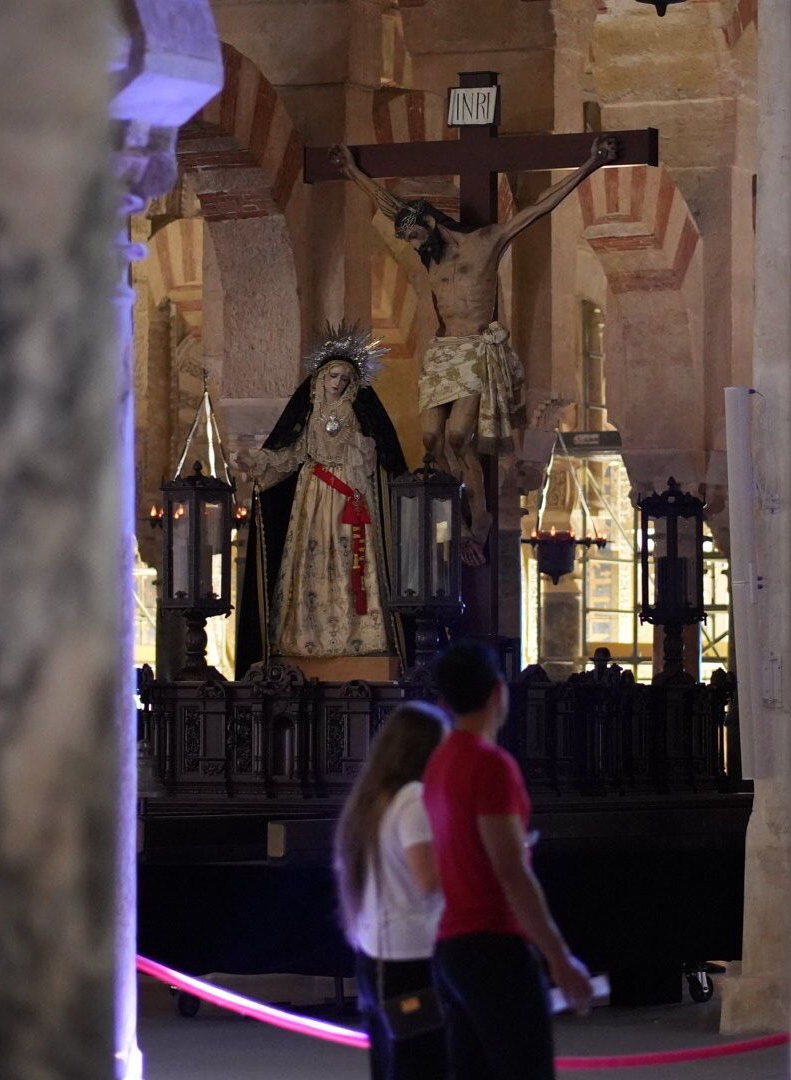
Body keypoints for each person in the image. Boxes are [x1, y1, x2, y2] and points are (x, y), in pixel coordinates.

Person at [330, 137, 619, 566]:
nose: (413, 244)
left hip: (474, 349)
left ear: (429, 221)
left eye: (414, 234)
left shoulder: (485, 243)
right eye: (406, 238)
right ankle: (454, 506)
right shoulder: (430, 255)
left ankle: (477, 519)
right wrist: (352, 171)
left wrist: (590, 164)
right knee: (429, 441)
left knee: (457, 437)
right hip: (444, 351)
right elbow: (388, 202)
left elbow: (538, 209)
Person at [422, 642, 594, 1080]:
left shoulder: (439, 763)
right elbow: (510, 871)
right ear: (500, 692)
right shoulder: (490, 766)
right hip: (493, 947)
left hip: (451, 946)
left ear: (443, 701)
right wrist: (559, 956)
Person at [234, 325, 407, 675]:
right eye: (332, 375)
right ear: (320, 378)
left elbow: (374, 454)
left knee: (349, 559)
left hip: (348, 493)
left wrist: (361, 461)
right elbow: (293, 453)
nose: (338, 382)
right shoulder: (309, 416)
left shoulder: (357, 417)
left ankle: (359, 637)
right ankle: (305, 638)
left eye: (345, 377)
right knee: (309, 561)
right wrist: (261, 461)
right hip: (313, 495)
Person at [333, 702, 450, 1080]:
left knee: (390, 1065)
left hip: (375, 955)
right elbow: (428, 879)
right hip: (411, 956)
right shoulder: (414, 799)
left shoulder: (372, 800)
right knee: (422, 1067)